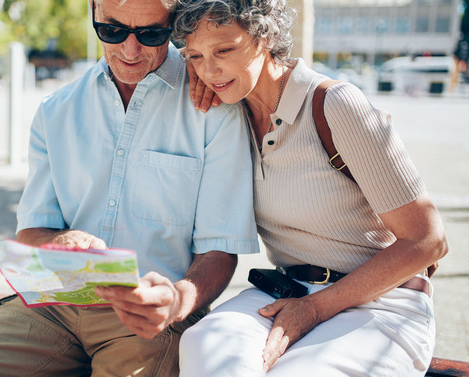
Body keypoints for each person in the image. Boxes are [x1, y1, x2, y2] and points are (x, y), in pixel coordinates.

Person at [0, 0, 259, 376]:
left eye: (151, 34)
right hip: (52, 305)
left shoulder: (214, 107)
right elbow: (33, 229)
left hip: (150, 320)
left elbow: (220, 250)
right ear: (93, 13)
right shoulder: (56, 109)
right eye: (112, 30)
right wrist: (57, 242)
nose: (130, 50)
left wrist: (176, 302)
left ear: (174, 27)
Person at [171, 0, 448, 376]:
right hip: (287, 290)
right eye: (196, 56)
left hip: (381, 302)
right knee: (204, 347)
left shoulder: (336, 104)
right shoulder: (227, 111)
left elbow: (428, 240)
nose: (209, 69)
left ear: (264, 36)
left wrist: (317, 308)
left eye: (224, 50)